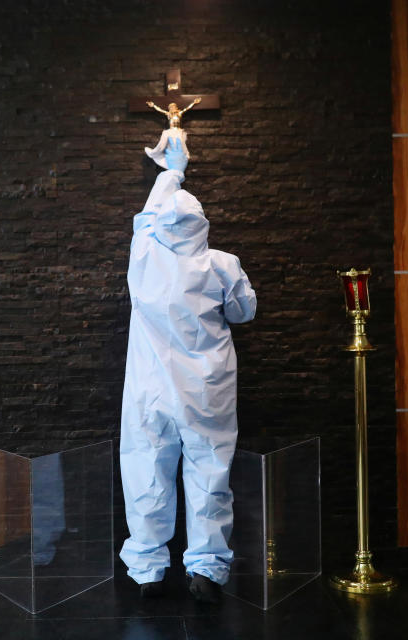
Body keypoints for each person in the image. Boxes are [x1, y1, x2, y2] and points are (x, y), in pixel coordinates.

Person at [119, 138, 257, 603]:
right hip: (205, 387)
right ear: (203, 224)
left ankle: (147, 571)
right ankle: (206, 572)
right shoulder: (222, 264)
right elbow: (244, 313)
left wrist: (171, 172)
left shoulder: (143, 258)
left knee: (145, 468)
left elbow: (147, 219)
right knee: (209, 473)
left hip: (149, 387)